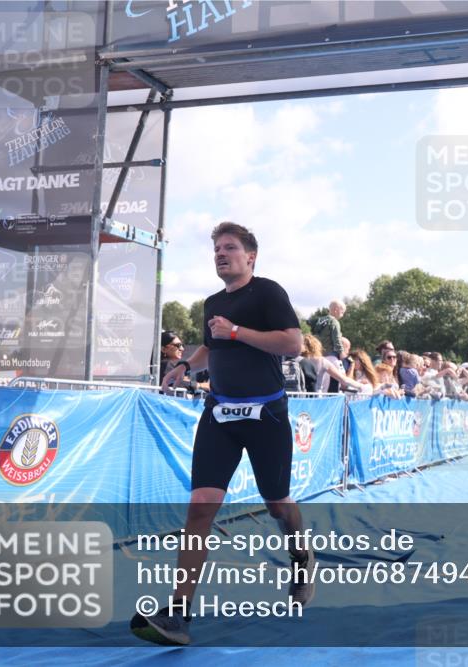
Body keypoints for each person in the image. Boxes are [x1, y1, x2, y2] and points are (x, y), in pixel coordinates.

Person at [139, 222, 309, 646]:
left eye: (229, 247)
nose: (220, 253)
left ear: (250, 257)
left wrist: (236, 332)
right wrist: (185, 366)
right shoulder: (213, 301)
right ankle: (178, 615)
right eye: (216, 248)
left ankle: (302, 557)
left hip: (266, 414)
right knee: (200, 506)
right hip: (220, 415)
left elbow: (293, 344)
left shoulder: (268, 292)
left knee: (277, 504)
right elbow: (210, 348)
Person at [312, 300, 346, 392]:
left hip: (318, 356)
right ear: (336, 309)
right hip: (330, 356)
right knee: (341, 377)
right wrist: (342, 354)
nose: (342, 315)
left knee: (320, 383)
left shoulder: (320, 321)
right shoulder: (334, 322)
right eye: (342, 312)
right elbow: (337, 339)